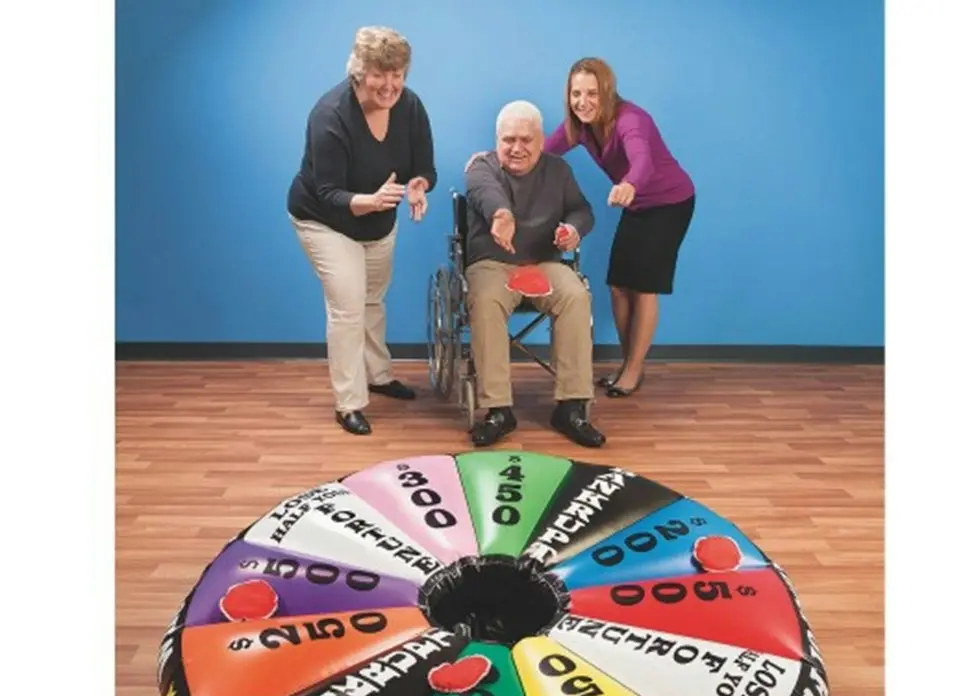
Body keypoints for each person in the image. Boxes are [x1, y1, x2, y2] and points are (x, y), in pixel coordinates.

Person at [287, 26, 437, 435]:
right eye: (379, 74)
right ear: (359, 72)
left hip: (379, 219)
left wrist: (419, 186)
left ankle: (379, 375)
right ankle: (349, 402)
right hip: (326, 220)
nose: (389, 85)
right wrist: (368, 202)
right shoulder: (330, 115)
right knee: (348, 307)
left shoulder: (410, 107)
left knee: (373, 299)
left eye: (398, 74)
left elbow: (424, 166)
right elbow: (328, 191)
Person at [547, 57, 695, 396]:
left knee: (644, 287)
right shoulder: (580, 126)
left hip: (669, 203)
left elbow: (641, 159)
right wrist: (491, 158)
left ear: (607, 92)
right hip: (637, 205)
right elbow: (542, 151)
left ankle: (632, 369)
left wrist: (629, 183)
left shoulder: (631, 120)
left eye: (591, 93)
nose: (582, 102)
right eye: (575, 94)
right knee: (618, 285)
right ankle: (630, 363)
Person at [464, 100, 606, 449]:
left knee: (575, 295)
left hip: (544, 262)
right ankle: (498, 410)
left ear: (541, 140)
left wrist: (573, 230)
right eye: (508, 139)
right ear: (496, 140)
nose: (516, 148)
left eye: (526, 140)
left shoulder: (558, 171)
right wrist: (501, 215)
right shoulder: (481, 168)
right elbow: (486, 193)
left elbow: (581, 210)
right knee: (485, 300)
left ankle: (571, 407)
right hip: (492, 263)